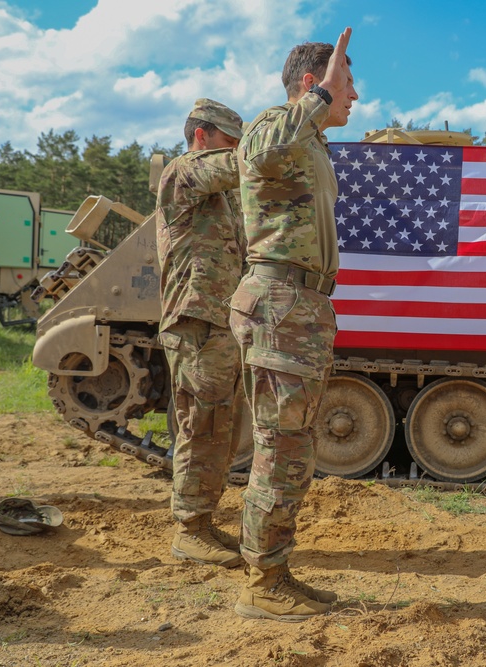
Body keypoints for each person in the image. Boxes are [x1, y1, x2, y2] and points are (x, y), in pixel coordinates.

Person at [229, 28, 357, 622]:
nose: (354, 95)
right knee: (278, 450)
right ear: (313, 83)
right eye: (347, 82)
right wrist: (319, 98)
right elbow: (255, 154)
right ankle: (260, 584)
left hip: (300, 309)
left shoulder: (313, 146)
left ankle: (275, 571)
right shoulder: (271, 125)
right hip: (281, 305)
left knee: (293, 449)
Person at [155, 98, 246, 570]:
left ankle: (202, 522)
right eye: (228, 142)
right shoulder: (182, 171)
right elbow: (237, 166)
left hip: (220, 324)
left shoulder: (221, 196)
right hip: (196, 324)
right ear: (202, 135)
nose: (233, 152)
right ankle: (188, 530)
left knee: (221, 430)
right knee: (200, 427)